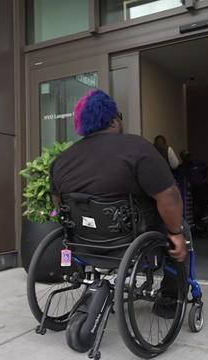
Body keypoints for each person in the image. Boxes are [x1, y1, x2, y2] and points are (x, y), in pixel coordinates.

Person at [49, 90, 187, 318]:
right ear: (113, 120)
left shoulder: (61, 160)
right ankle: (169, 302)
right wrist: (176, 233)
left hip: (83, 243)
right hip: (131, 239)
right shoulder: (137, 148)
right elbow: (169, 196)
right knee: (181, 232)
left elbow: (60, 204)